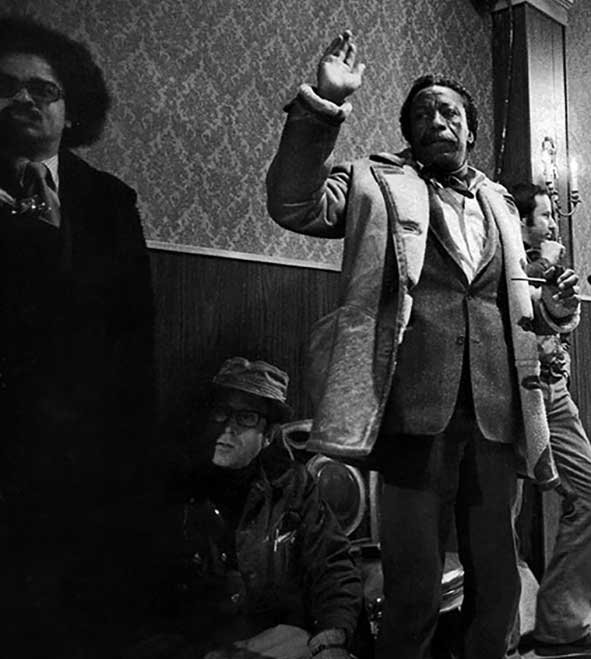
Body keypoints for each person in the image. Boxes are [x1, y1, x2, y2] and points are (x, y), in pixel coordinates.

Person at [265, 30, 581, 658]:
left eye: (450, 113)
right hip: (413, 418)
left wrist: (550, 312)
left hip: (495, 416)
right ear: (409, 132)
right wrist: (324, 104)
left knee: (497, 586)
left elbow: (509, 302)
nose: (436, 120)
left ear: (469, 132)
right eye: (422, 114)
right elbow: (293, 202)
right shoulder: (374, 184)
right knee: (411, 593)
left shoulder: (498, 202)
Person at [0, 16, 157, 656]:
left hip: (93, 462)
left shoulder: (112, 202)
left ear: (72, 110)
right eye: (7, 85)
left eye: (45, 89)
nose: (26, 98)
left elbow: (136, 335)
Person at [145, 358, 363, 659]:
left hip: (275, 641)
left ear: (268, 435)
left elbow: (332, 567)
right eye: (222, 413)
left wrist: (332, 637)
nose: (228, 428)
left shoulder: (293, 487)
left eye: (246, 418)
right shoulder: (178, 489)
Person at [508, 182, 591, 656]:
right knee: (498, 516)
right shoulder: (507, 260)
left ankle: (558, 623)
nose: (553, 223)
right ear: (521, 221)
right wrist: (541, 266)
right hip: (509, 399)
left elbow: (559, 318)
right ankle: (510, 631)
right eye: (544, 215)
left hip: (554, 398)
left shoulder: (543, 266)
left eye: (555, 214)